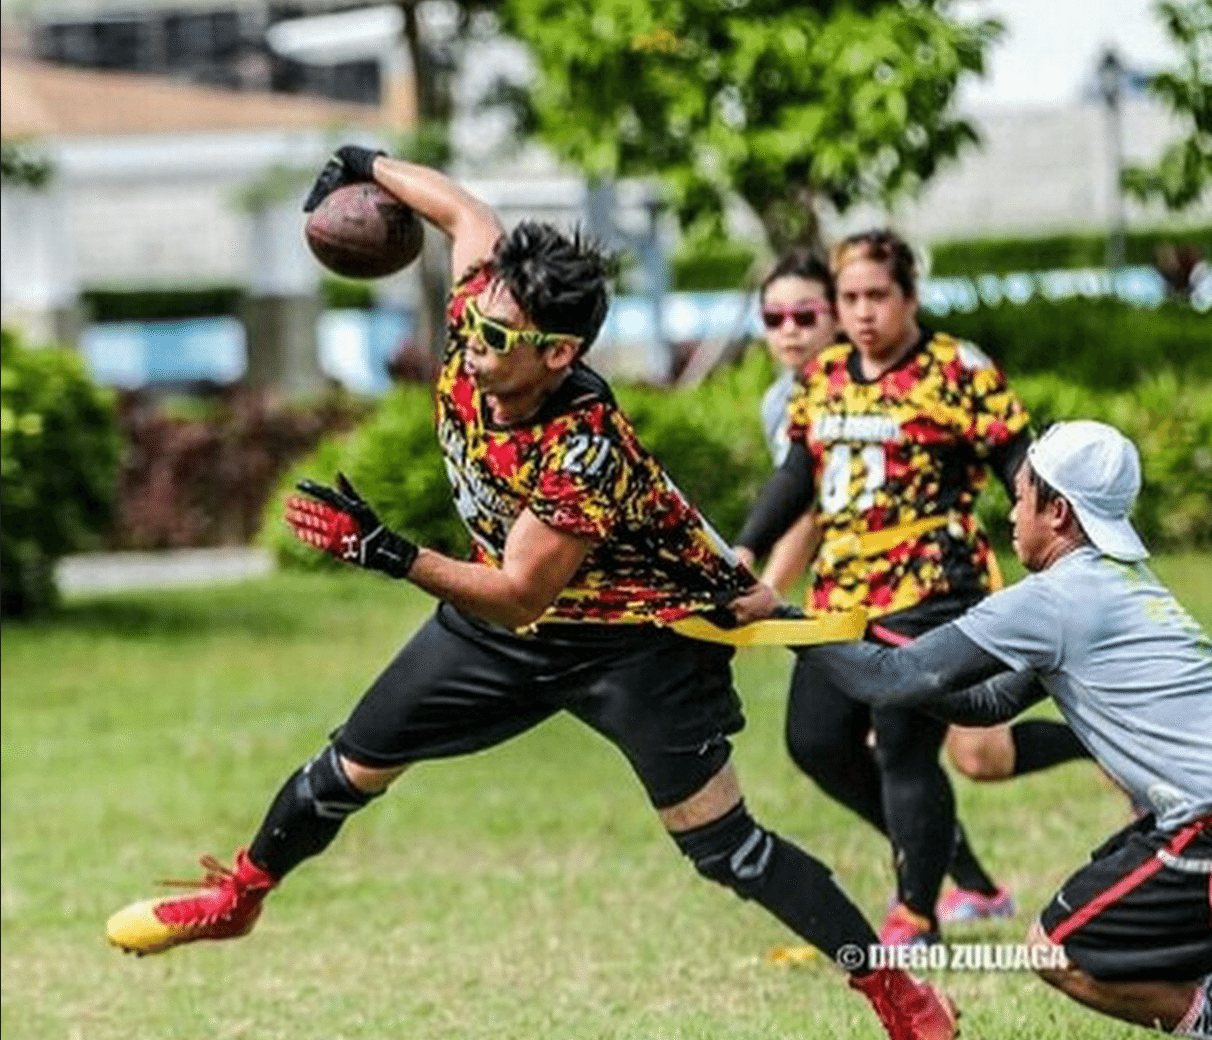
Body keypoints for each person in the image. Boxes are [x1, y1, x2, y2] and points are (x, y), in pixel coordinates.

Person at [105, 148, 959, 1040]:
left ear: (559, 354)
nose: (472, 344)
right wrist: (364, 163)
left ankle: (894, 990)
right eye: (476, 324)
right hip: (502, 630)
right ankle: (239, 896)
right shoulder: (488, 312)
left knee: (726, 850)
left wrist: (387, 551)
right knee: (346, 770)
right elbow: (469, 215)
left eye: (499, 340)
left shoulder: (581, 444)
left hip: (637, 641)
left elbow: (518, 590)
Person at [794, 420, 1212, 1037]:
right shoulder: (1118, 581)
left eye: (1020, 497)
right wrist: (875, 641)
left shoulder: (1056, 597)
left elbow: (894, 680)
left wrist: (792, 625)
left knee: (1057, 949)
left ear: (1059, 511)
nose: (1011, 514)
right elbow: (986, 704)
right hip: (1191, 817)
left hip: (1201, 821)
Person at [736, 228, 1035, 945]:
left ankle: (916, 913)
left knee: (904, 743)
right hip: (842, 597)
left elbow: (1019, 464)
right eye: (850, 298)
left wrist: (1048, 546)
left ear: (909, 297)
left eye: (877, 296)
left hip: (935, 587)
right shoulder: (825, 377)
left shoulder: (956, 370)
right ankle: (938, 853)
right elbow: (797, 475)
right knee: (815, 740)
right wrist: (748, 545)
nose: (863, 312)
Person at [755, 247, 835, 595]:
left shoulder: (854, 392)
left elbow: (808, 508)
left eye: (805, 316)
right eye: (774, 318)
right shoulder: (777, 401)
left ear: (838, 316)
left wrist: (766, 590)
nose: (789, 329)